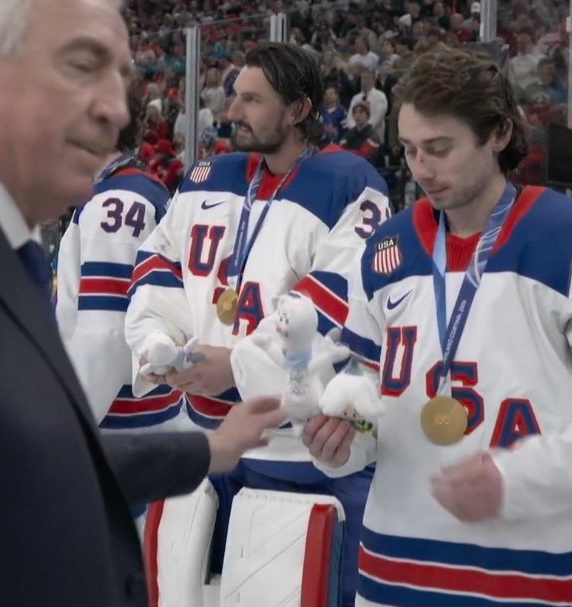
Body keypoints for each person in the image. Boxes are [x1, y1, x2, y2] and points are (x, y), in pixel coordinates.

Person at [0, 1, 284, 605]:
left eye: (119, 77)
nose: (116, 109)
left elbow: (14, 459)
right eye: (82, 66)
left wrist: (210, 448)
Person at [303, 46, 572, 606]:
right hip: (400, 576)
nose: (421, 169)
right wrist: (344, 440)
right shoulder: (385, 249)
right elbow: (371, 387)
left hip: (549, 579)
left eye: (439, 148)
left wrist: (522, 478)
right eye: (410, 150)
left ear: (499, 134)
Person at [124, 42, 392, 604]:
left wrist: (239, 366)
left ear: (298, 110)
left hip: (300, 452)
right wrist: (159, 340)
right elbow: (158, 258)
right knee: (180, 592)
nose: (233, 112)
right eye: (234, 97)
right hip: (202, 443)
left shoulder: (349, 183)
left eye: (251, 99)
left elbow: (343, 296)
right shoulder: (207, 178)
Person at [56, 80, 175, 425]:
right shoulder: (131, 189)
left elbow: (105, 331)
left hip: (116, 416)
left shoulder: (115, 203)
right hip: (133, 410)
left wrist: (72, 424)